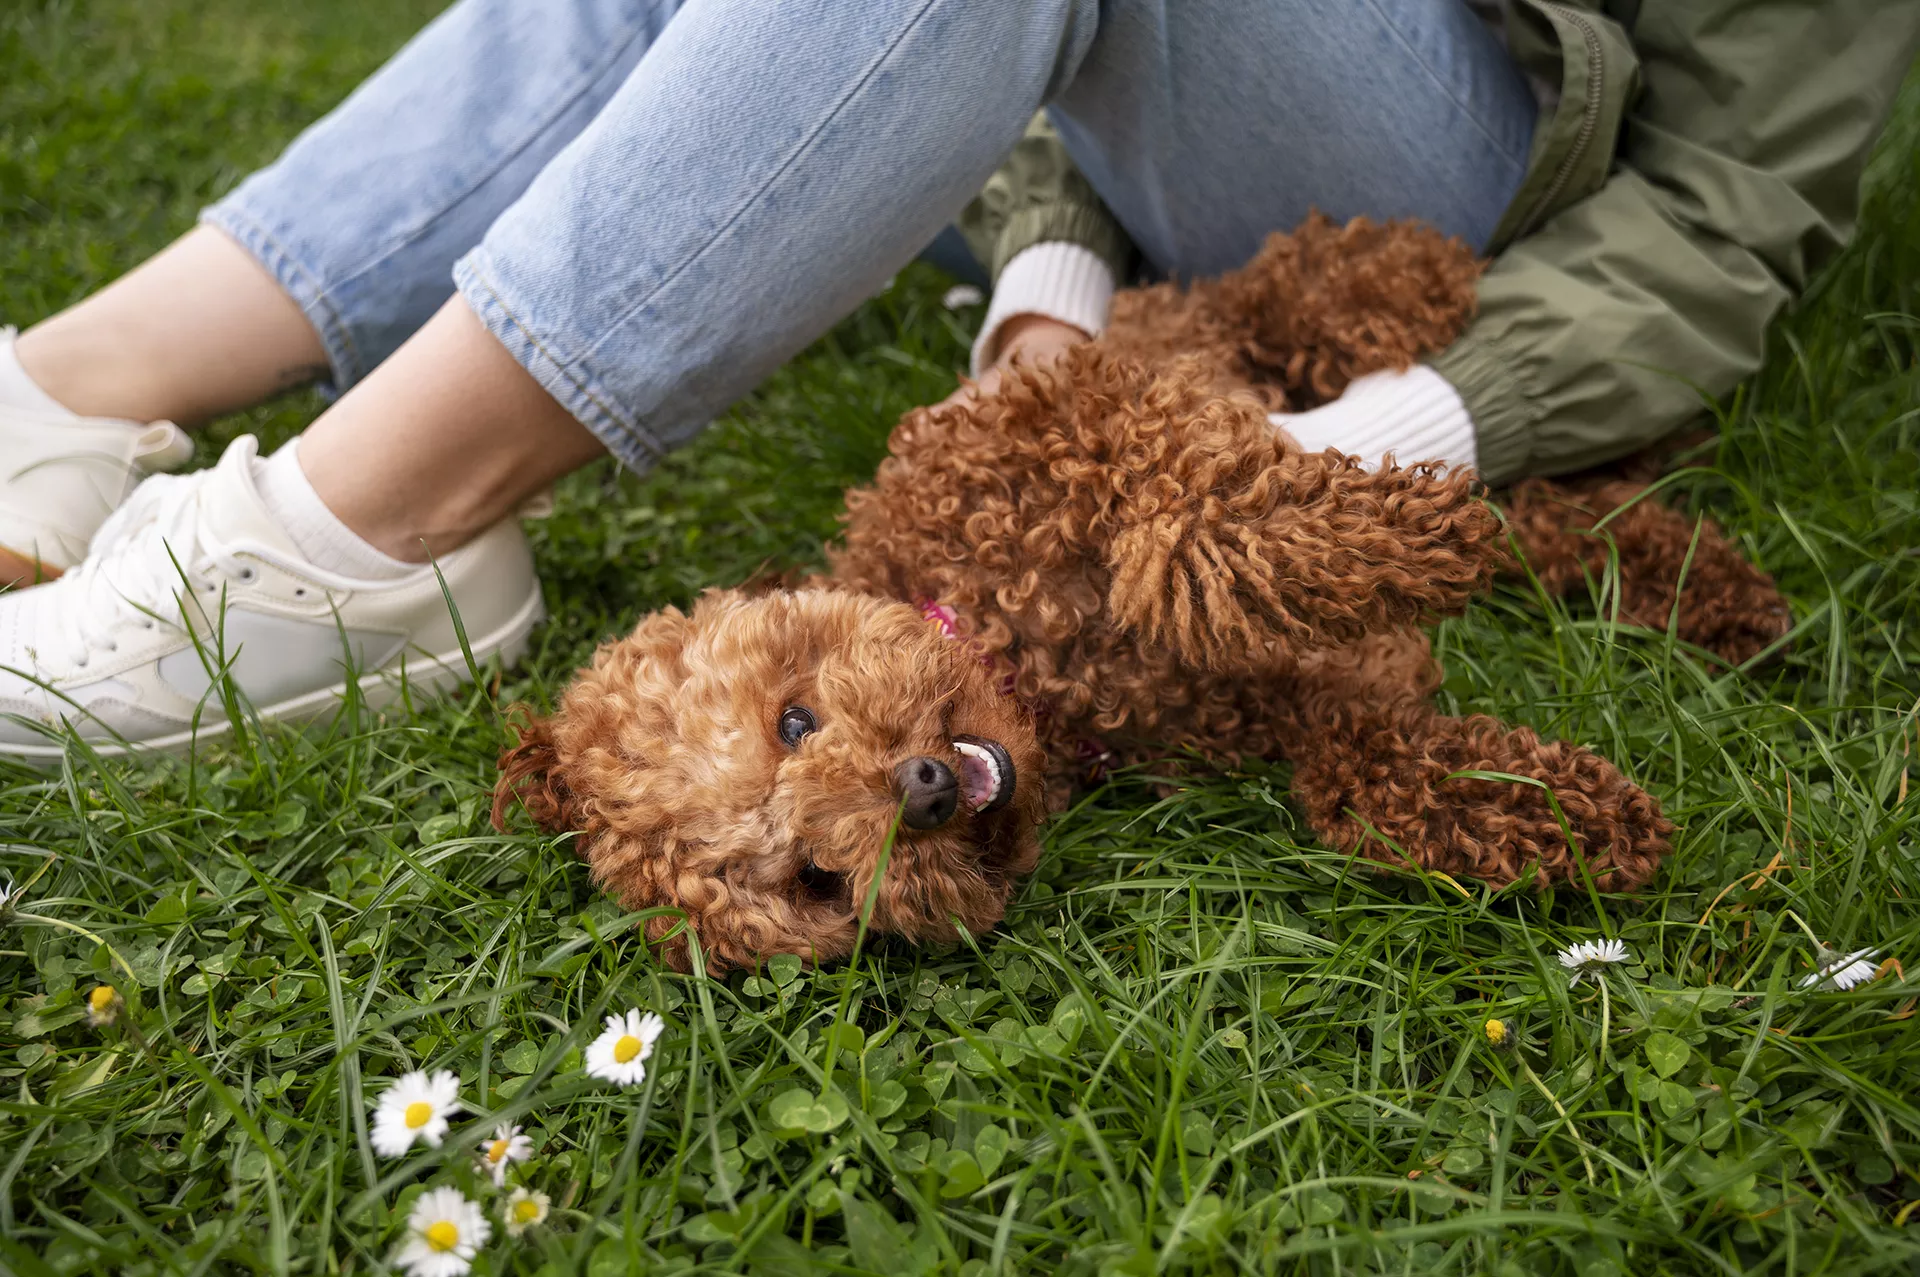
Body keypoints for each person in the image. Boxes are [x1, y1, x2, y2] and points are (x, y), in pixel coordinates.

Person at [0, 0, 1912, 758]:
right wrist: (1055, 291)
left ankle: (368, 533)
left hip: (1483, 204)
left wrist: (1378, 436)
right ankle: (68, 399)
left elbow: (1734, 210)